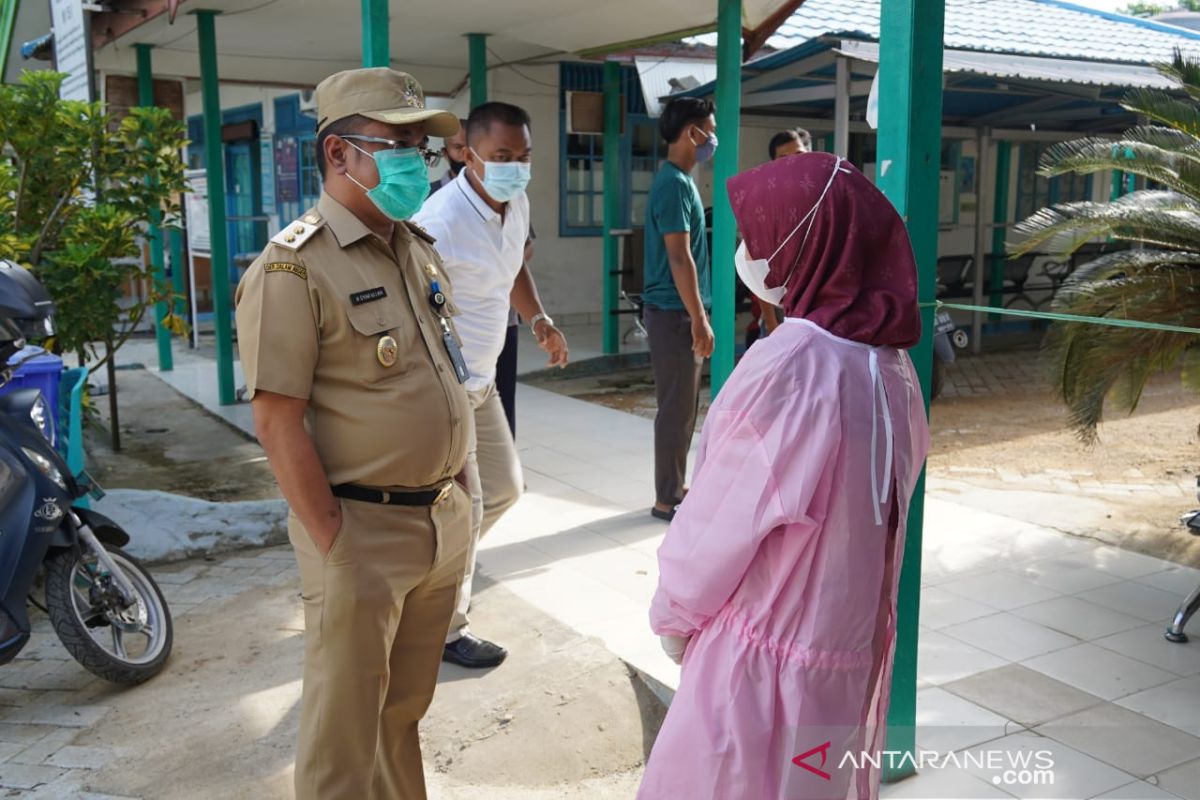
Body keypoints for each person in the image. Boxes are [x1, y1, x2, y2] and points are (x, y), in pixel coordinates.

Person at [638, 153, 931, 800]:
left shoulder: (792, 367)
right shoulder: (894, 372)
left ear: (807, 245)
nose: (746, 251)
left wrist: (674, 618)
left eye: (757, 235)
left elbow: (716, 524)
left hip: (759, 662)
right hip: (846, 659)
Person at [235, 68, 472, 800]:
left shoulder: (412, 244)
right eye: (398, 143)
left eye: (420, 147)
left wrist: (458, 481)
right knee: (344, 738)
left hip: (437, 521)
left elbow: (440, 371)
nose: (417, 161)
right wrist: (335, 538)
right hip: (361, 532)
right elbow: (276, 420)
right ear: (340, 154)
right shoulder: (292, 268)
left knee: (401, 715)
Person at [415, 101, 569, 669]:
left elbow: (514, 266)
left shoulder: (516, 201)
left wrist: (539, 319)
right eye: (502, 157)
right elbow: (415, 312)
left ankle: (434, 575)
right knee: (470, 509)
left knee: (505, 490)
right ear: (468, 154)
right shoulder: (438, 223)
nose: (515, 167)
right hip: (447, 387)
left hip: (484, 380)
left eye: (523, 156)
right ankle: (445, 630)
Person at [643, 96, 716, 523]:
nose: (713, 139)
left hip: (680, 311)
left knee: (683, 406)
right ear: (692, 133)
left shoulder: (680, 181)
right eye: (710, 129)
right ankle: (666, 497)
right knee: (675, 407)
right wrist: (699, 319)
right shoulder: (673, 184)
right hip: (674, 313)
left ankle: (675, 484)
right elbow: (679, 258)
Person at [746, 127, 814, 347]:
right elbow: (757, 266)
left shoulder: (824, 197)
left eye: (799, 155)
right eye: (784, 158)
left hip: (818, 312)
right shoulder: (766, 206)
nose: (792, 163)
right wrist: (771, 320)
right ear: (773, 164)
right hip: (780, 311)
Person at [430, 119, 468, 193]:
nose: (466, 153)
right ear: (445, 154)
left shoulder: (492, 195)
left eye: (471, 146)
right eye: (458, 147)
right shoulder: (426, 196)